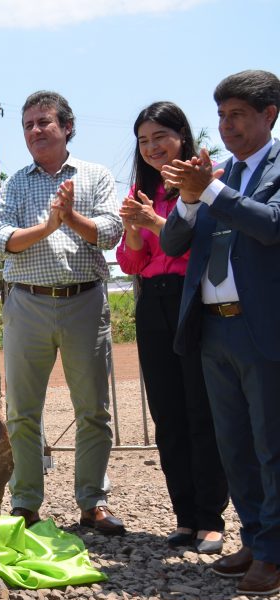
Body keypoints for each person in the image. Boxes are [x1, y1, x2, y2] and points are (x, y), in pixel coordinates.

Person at [160, 70, 280, 596]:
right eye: (221, 116)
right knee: (235, 446)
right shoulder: (217, 173)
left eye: (237, 115)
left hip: (264, 329)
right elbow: (173, 242)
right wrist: (189, 198)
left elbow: (271, 225)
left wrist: (208, 189)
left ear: (269, 114)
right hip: (214, 329)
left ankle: (275, 553)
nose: (226, 126)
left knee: (271, 444)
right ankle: (255, 538)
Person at [0, 91, 124, 534]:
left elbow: (109, 232)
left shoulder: (95, 176)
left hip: (84, 301)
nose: (34, 131)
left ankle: (92, 502)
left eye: (43, 122)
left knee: (93, 411)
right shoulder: (15, 183)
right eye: (27, 125)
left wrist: (70, 219)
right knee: (22, 411)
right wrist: (48, 226)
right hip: (26, 302)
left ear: (67, 127)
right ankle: (26, 502)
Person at [115, 102, 229, 554]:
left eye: (160, 136)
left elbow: (199, 249)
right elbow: (131, 261)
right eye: (143, 141)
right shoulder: (142, 190)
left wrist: (154, 222)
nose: (152, 147)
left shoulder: (206, 181)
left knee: (201, 410)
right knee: (167, 414)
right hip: (152, 302)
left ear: (182, 135)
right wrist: (135, 229)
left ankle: (211, 519)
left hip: (192, 299)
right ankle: (184, 517)